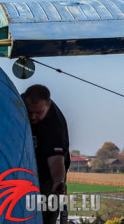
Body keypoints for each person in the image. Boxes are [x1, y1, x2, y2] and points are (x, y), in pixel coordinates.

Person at [22, 84, 70, 224]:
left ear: (47, 106)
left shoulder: (54, 125)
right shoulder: (16, 105)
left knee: (47, 206)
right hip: (23, 166)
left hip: (49, 173)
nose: (33, 117)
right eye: (29, 112)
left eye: (38, 112)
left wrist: (57, 181)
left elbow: (55, 159)